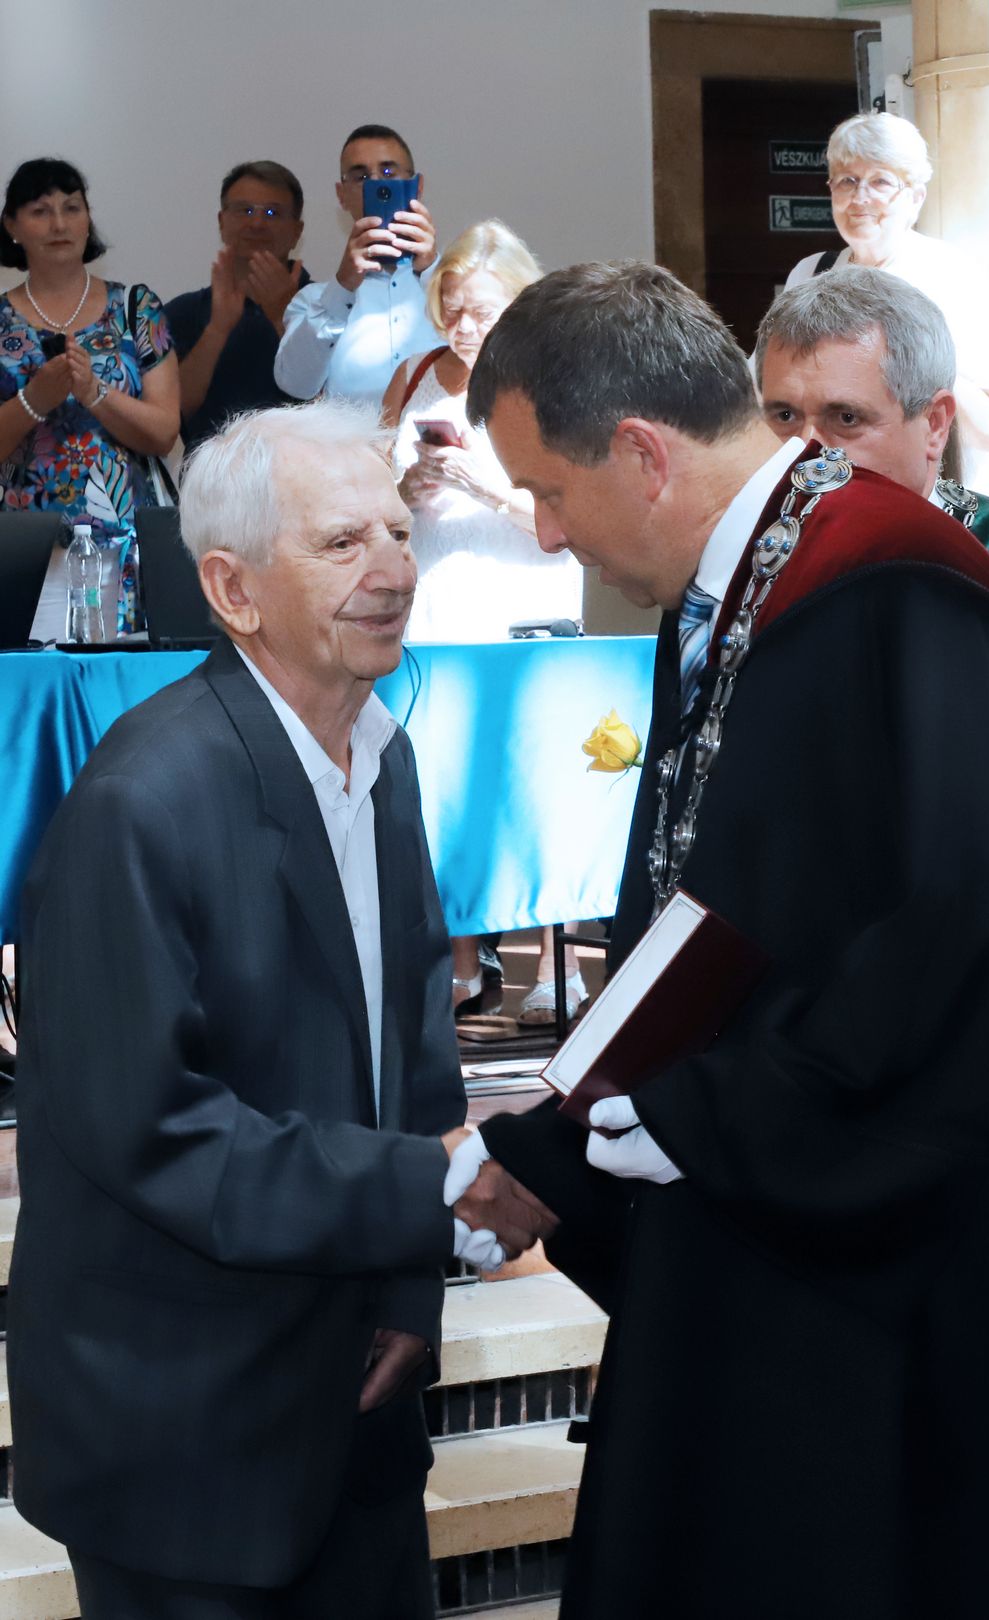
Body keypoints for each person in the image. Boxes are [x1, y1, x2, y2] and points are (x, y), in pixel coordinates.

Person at [446, 261, 989, 1618]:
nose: (547, 536)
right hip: (758, 1231)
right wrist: (568, 1132)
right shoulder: (744, 584)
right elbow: (732, 914)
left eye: (547, 491)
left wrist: (717, 1114)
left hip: (884, 1295)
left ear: (642, 453)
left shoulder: (892, 580)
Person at [7, 399, 547, 1618]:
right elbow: (154, 1133)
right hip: (184, 1434)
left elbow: (412, 1050)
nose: (392, 571)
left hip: (354, 1397)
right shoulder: (141, 803)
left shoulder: (383, 754)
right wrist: (431, 1184)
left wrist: (409, 1283)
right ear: (232, 590)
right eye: (342, 543)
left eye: (397, 532)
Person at [382, 219, 586, 1023]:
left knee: (535, 780)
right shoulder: (417, 379)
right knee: (442, 781)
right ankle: (462, 961)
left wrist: (484, 487)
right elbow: (384, 499)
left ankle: (553, 966)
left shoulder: (555, 385)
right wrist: (413, 488)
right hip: (440, 601)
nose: (466, 327)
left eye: (484, 311)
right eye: (455, 309)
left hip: (523, 599)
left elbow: (570, 516)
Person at [755, 266, 989, 766]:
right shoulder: (747, 576)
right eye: (784, 416)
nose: (804, 454)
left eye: (846, 418)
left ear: (934, 424)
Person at [0, 157, 180, 638]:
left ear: (87, 218)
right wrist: (34, 401)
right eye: (40, 211)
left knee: (122, 674)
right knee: (33, 673)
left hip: (127, 547)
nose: (59, 224)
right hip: (25, 552)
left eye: (71, 208)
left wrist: (94, 393)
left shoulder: (136, 307)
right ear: (12, 226)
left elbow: (164, 432)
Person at [783, 112, 989, 484]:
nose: (860, 198)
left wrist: (910, 355)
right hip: (829, 487)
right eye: (847, 180)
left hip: (924, 494)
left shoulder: (952, 276)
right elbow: (763, 392)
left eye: (881, 181)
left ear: (916, 197)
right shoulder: (810, 274)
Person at [275, 124, 440, 408]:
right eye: (361, 177)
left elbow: (492, 362)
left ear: (417, 186)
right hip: (353, 439)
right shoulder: (314, 302)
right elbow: (296, 385)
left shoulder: (465, 288)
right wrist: (343, 285)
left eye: (388, 172)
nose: (376, 183)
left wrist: (434, 272)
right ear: (342, 194)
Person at [165, 160, 308, 451]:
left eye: (272, 213)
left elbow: (338, 408)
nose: (257, 223)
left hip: (304, 472)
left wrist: (283, 318)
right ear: (221, 221)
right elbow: (168, 417)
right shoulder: (180, 314)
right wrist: (217, 329)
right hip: (209, 476)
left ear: (296, 231)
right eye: (245, 210)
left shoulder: (330, 306)